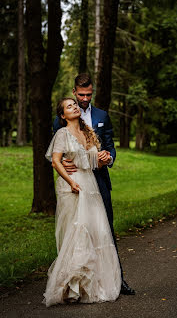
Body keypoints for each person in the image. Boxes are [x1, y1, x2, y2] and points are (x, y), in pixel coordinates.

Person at [53, 73, 135, 296]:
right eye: (81, 95)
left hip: (99, 180)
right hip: (78, 182)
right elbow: (56, 151)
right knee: (80, 230)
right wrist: (63, 165)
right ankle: (80, 283)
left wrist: (110, 158)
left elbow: (109, 144)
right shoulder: (61, 122)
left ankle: (116, 279)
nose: (85, 99)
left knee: (105, 229)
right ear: (74, 92)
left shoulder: (102, 116)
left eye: (89, 94)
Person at [43, 98, 121, 306]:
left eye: (74, 105)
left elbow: (91, 161)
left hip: (90, 184)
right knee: (77, 231)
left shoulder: (87, 133)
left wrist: (103, 158)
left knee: (95, 231)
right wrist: (70, 182)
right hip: (72, 186)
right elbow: (56, 161)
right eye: (69, 106)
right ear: (62, 115)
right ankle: (70, 288)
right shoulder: (62, 133)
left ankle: (90, 286)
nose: (74, 107)